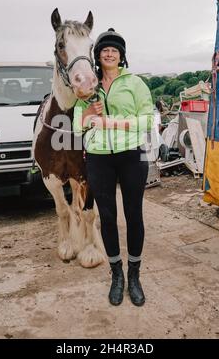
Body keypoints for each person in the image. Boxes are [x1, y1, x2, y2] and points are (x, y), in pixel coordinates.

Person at [73, 28, 154, 306]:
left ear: (121, 56)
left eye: (115, 50)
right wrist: (85, 114)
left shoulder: (135, 83)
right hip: (98, 157)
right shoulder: (89, 85)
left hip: (132, 155)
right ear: (98, 55)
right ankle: (116, 276)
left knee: (134, 216)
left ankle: (134, 276)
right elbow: (75, 126)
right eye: (105, 50)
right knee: (107, 218)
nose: (109, 54)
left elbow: (147, 120)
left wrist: (112, 123)